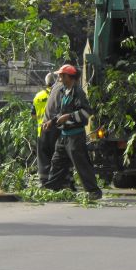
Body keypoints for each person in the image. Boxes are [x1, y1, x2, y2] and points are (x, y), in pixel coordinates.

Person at [43, 64, 102, 200]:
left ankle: (94, 191)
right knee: (57, 162)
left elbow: (86, 112)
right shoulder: (64, 91)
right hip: (64, 136)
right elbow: (61, 113)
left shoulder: (78, 92)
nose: (59, 78)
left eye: (61, 76)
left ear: (68, 77)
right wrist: (51, 122)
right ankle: (51, 189)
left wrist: (69, 116)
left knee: (81, 164)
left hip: (75, 136)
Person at [32, 72, 60, 186]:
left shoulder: (38, 96)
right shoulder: (58, 94)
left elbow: (33, 115)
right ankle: (56, 180)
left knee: (43, 158)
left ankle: (44, 181)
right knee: (57, 156)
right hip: (56, 130)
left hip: (42, 131)